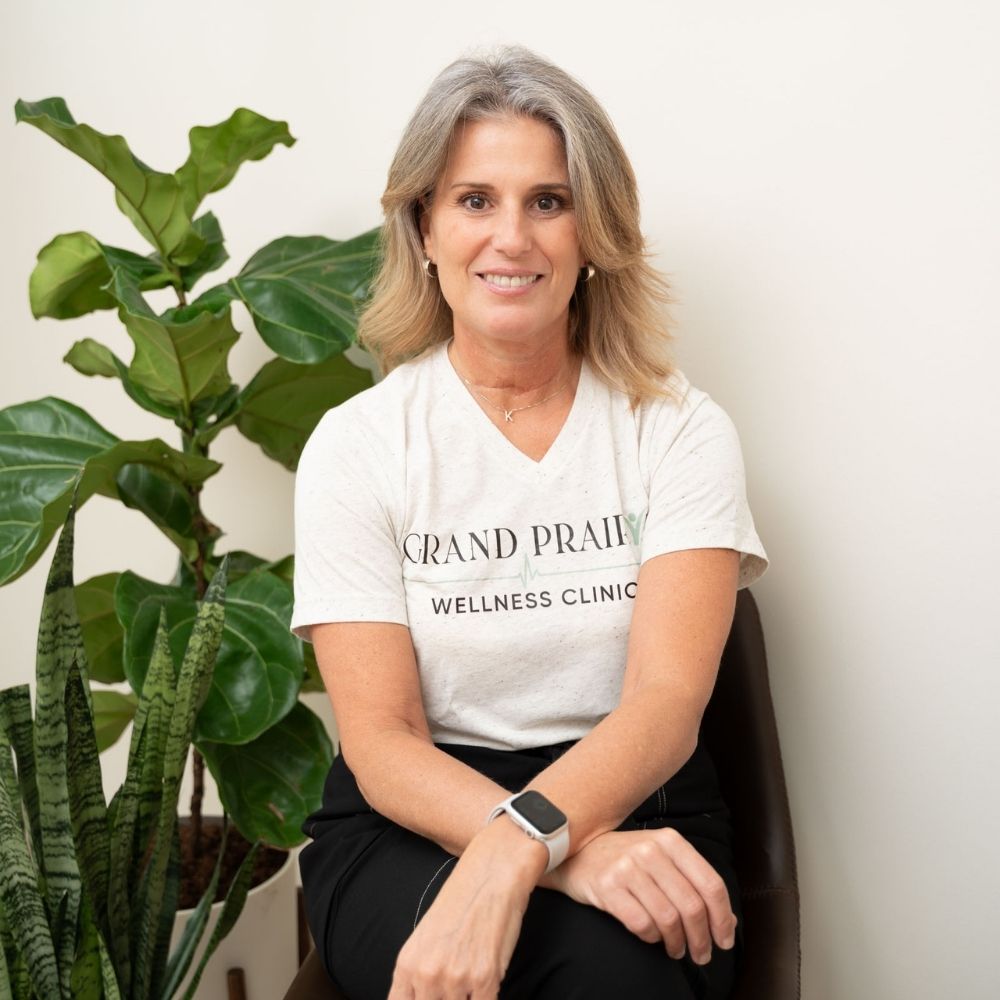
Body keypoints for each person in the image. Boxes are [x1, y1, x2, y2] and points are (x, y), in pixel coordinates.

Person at [292, 45, 767, 1000]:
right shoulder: (357, 445)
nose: (511, 236)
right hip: (409, 817)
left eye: (547, 201)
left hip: (634, 797)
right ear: (423, 226)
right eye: (475, 200)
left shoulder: (679, 430)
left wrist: (523, 848)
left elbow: (667, 707)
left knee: (603, 979)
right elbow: (382, 739)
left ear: (593, 231)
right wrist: (554, 855)